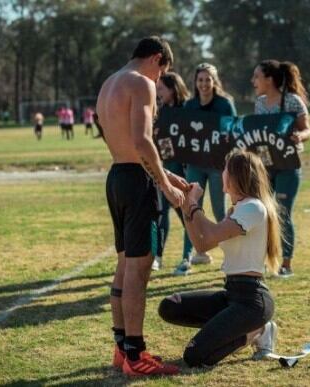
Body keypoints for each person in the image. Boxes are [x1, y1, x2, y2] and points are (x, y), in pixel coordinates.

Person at [96, 36, 188, 376]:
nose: (159, 80)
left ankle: (122, 348)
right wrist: (162, 184)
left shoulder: (110, 82)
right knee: (140, 268)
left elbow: (123, 142)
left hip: (117, 175)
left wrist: (166, 175)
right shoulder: (141, 83)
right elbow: (142, 139)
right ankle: (136, 354)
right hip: (137, 183)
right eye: (162, 71)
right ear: (157, 58)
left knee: (123, 265)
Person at [158, 149, 281, 367]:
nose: (221, 173)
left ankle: (256, 331)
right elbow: (202, 243)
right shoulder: (237, 209)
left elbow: (212, 233)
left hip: (251, 301)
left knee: (194, 357)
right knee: (170, 305)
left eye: (225, 169)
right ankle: (233, 329)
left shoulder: (253, 207)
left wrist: (194, 203)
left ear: (236, 175)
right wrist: (187, 205)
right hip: (231, 295)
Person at [173, 63, 237, 276]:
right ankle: (186, 256)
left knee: (221, 212)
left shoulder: (225, 104)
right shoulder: (190, 106)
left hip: (218, 166)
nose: (204, 84)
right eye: (200, 80)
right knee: (190, 209)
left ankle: (231, 257)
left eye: (208, 79)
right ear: (195, 82)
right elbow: (182, 134)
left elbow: (233, 132)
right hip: (195, 165)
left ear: (214, 81)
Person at [251, 60, 310, 278]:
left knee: (283, 213)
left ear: (269, 79)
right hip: (266, 166)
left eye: (256, 76)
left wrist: (299, 136)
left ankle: (286, 264)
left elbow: (307, 130)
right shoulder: (259, 104)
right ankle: (265, 260)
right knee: (264, 214)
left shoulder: (292, 101)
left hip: (288, 165)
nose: (253, 81)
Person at [151, 72, 190, 271]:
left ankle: (192, 251)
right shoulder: (160, 110)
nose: (158, 93)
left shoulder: (188, 109)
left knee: (185, 213)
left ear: (173, 88)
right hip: (164, 171)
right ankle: (157, 256)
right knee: (161, 213)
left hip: (183, 171)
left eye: (161, 89)